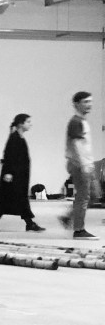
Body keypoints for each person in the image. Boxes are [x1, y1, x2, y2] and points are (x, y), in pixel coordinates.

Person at [0, 114, 44, 232]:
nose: (30, 124)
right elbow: (9, 155)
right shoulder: (14, 138)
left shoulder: (19, 137)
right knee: (15, 198)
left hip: (19, 175)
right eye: (28, 122)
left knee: (8, 199)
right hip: (14, 176)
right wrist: (9, 173)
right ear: (21, 124)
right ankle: (29, 223)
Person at [60, 91, 97, 239]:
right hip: (80, 164)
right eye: (85, 102)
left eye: (90, 101)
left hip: (86, 163)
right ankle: (79, 230)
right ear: (76, 104)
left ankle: (69, 217)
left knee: (94, 195)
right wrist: (83, 165)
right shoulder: (75, 122)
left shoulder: (83, 121)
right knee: (83, 197)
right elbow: (76, 145)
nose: (89, 105)